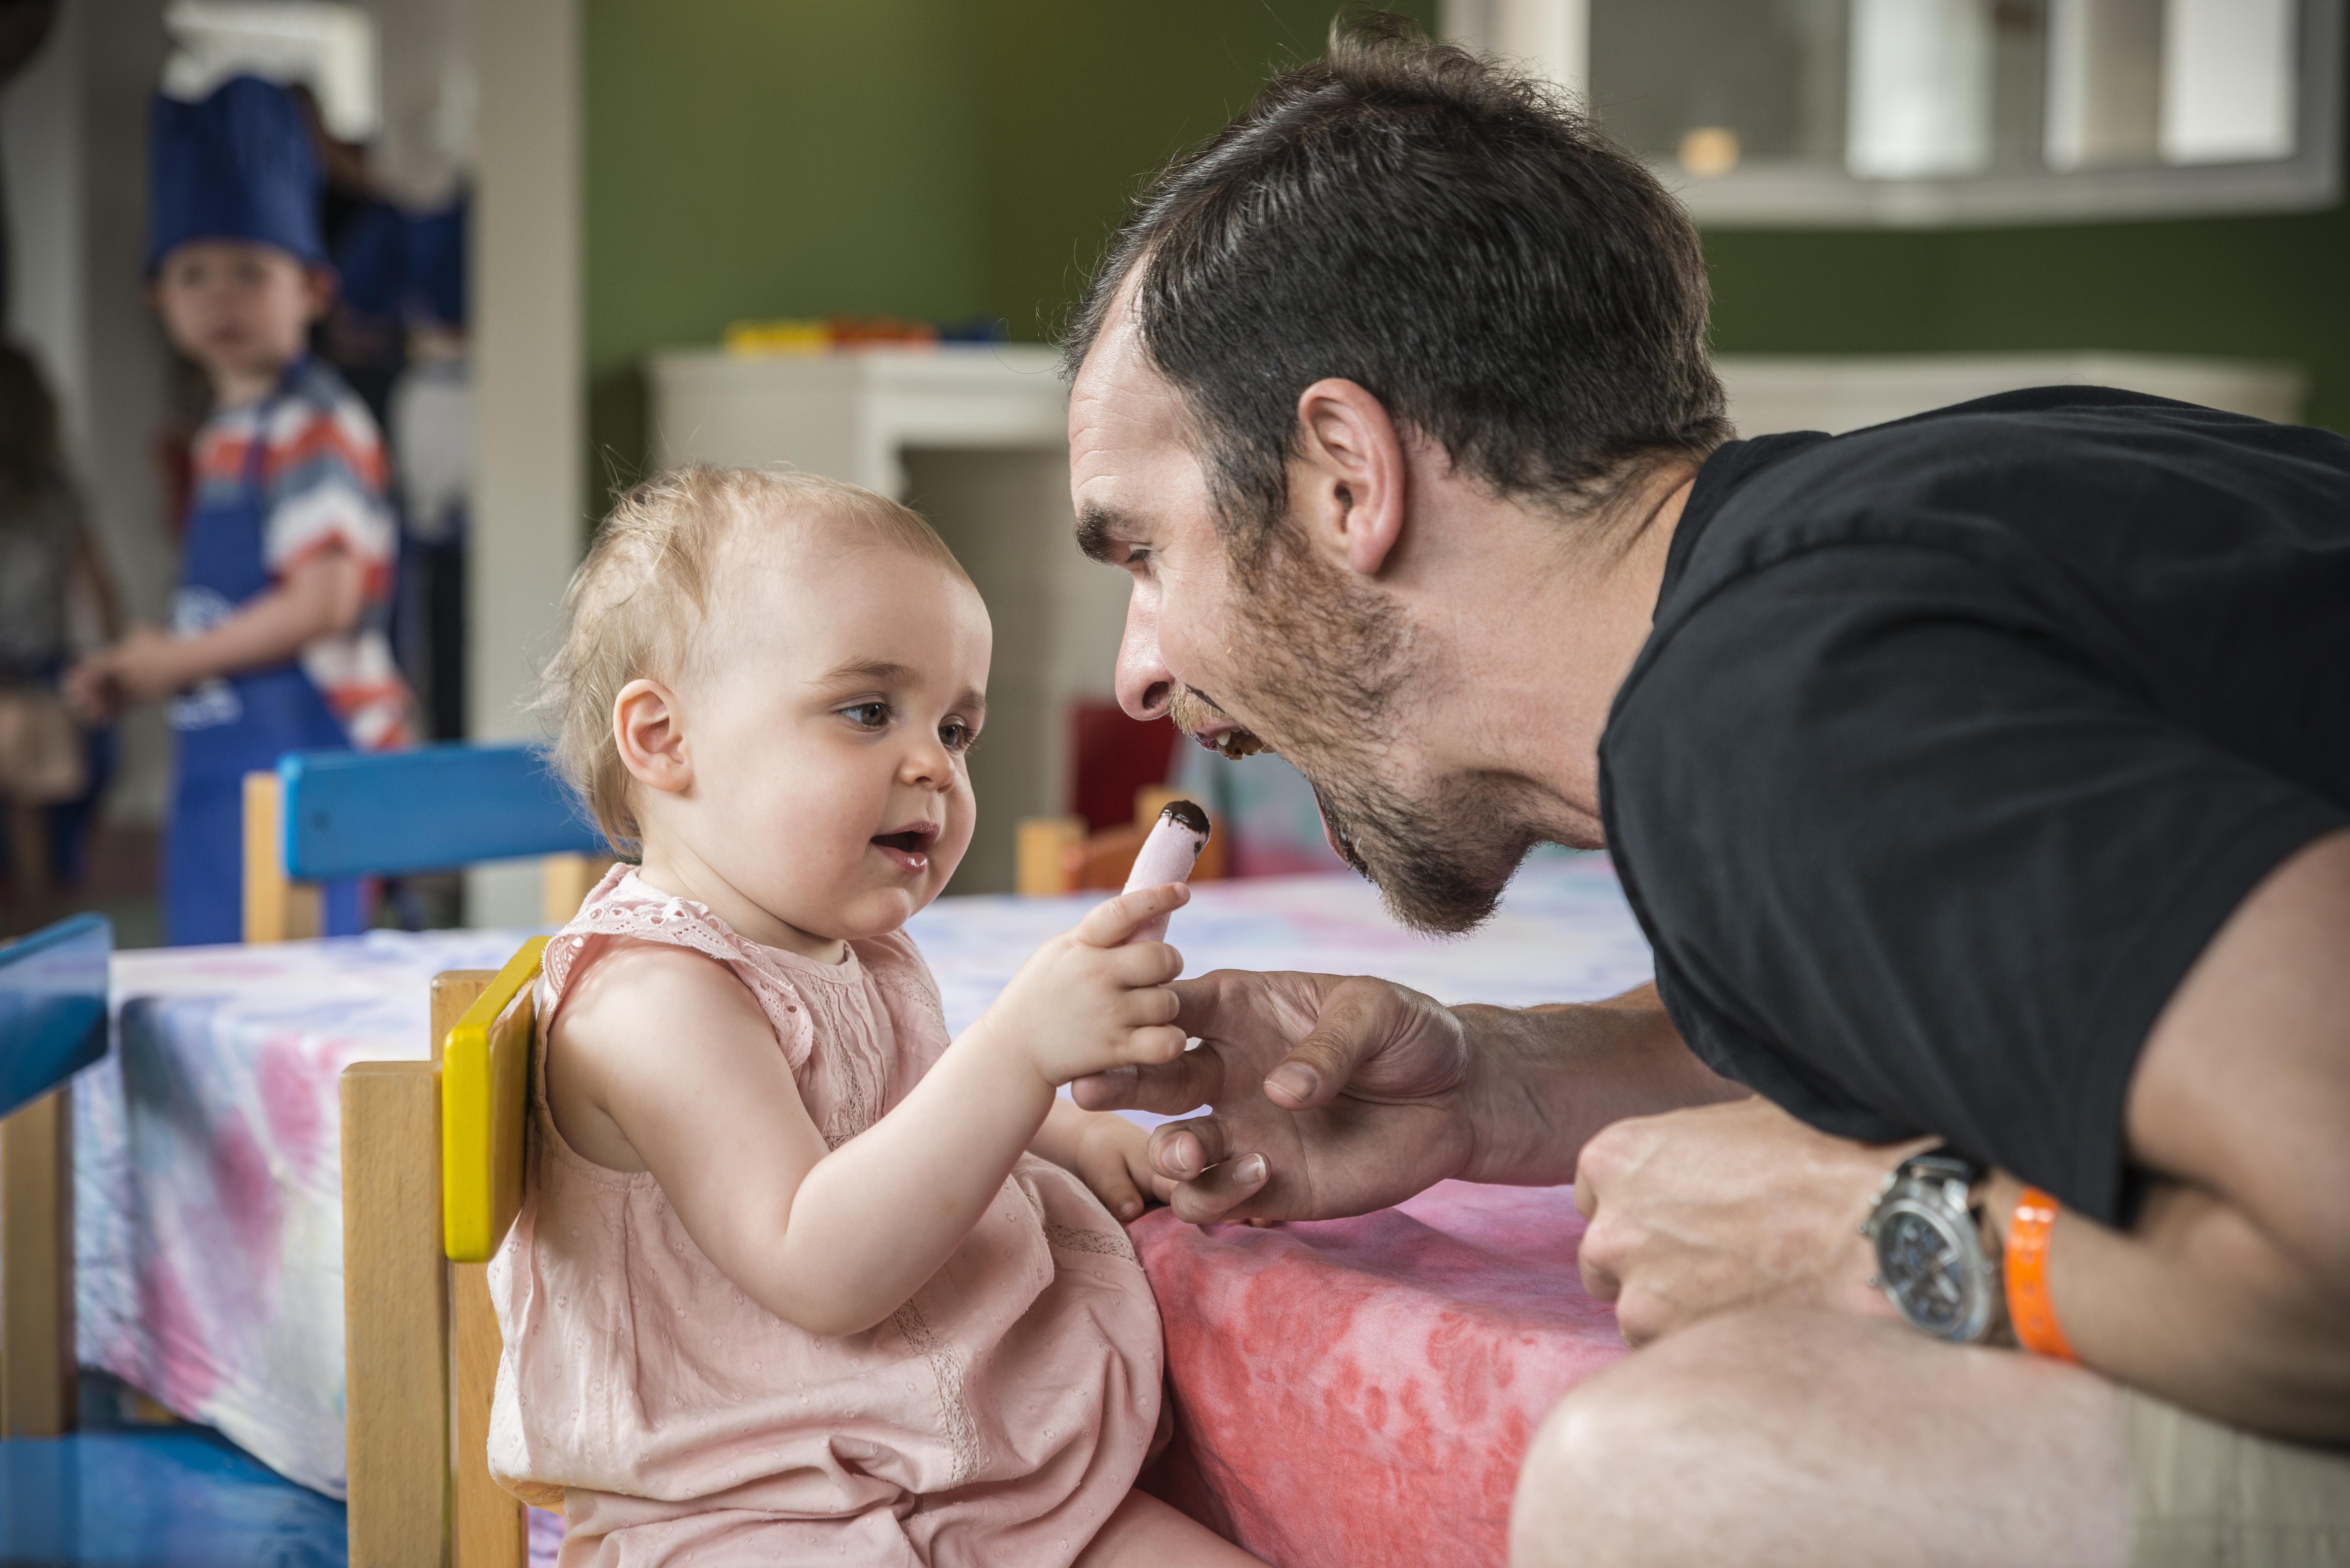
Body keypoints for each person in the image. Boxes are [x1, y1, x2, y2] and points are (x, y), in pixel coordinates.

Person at [1059, 19, 2350, 1565]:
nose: (1140, 668)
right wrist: (1502, 1080)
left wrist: (1886, 1230)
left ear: (1345, 476)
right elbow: (2012, 969)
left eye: (1144, 549)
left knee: (1669, 1465)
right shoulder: (1881, 555)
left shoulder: (1771, 712)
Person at [498, 466, 1262, 1567]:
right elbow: (819, 1262)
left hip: (967, 1487)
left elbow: (891, 1102)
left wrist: (1076, 1134)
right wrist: (1018, 1055)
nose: (932, 766)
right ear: (663, 739)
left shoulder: (846, 949)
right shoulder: (650, 1001)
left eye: (957, 729)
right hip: (744, 1520)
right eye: (868, 711)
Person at [66, 75, 411, 945]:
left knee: (291, 991)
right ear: (159, 297)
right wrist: (141, 667)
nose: (222, 296)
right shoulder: (226, 432)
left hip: (306, 775)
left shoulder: (313, 422)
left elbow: (324, 600)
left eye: (252, 272)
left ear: (314, 290)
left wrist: (175, 662)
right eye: (195, 273)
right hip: (226, 775)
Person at [0, 341, 122, 931]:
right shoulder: (57, 493)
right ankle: (38, 926)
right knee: (37, 830)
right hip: (40, 679)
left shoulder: (56, 494)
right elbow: (103, 596)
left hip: (34, 681)